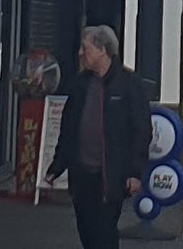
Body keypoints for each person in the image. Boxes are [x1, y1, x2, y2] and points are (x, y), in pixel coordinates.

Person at [45, 25, 150, 249]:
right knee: (86, 229)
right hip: (82, 173)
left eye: (86, 48)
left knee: (105, 231)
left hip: (110, 175)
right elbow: (69, 129)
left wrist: (135, 172)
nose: (81, 54)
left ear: (102, 50)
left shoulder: (129, 85)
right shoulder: (80, 84)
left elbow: (141, 131)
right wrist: (57, 165)